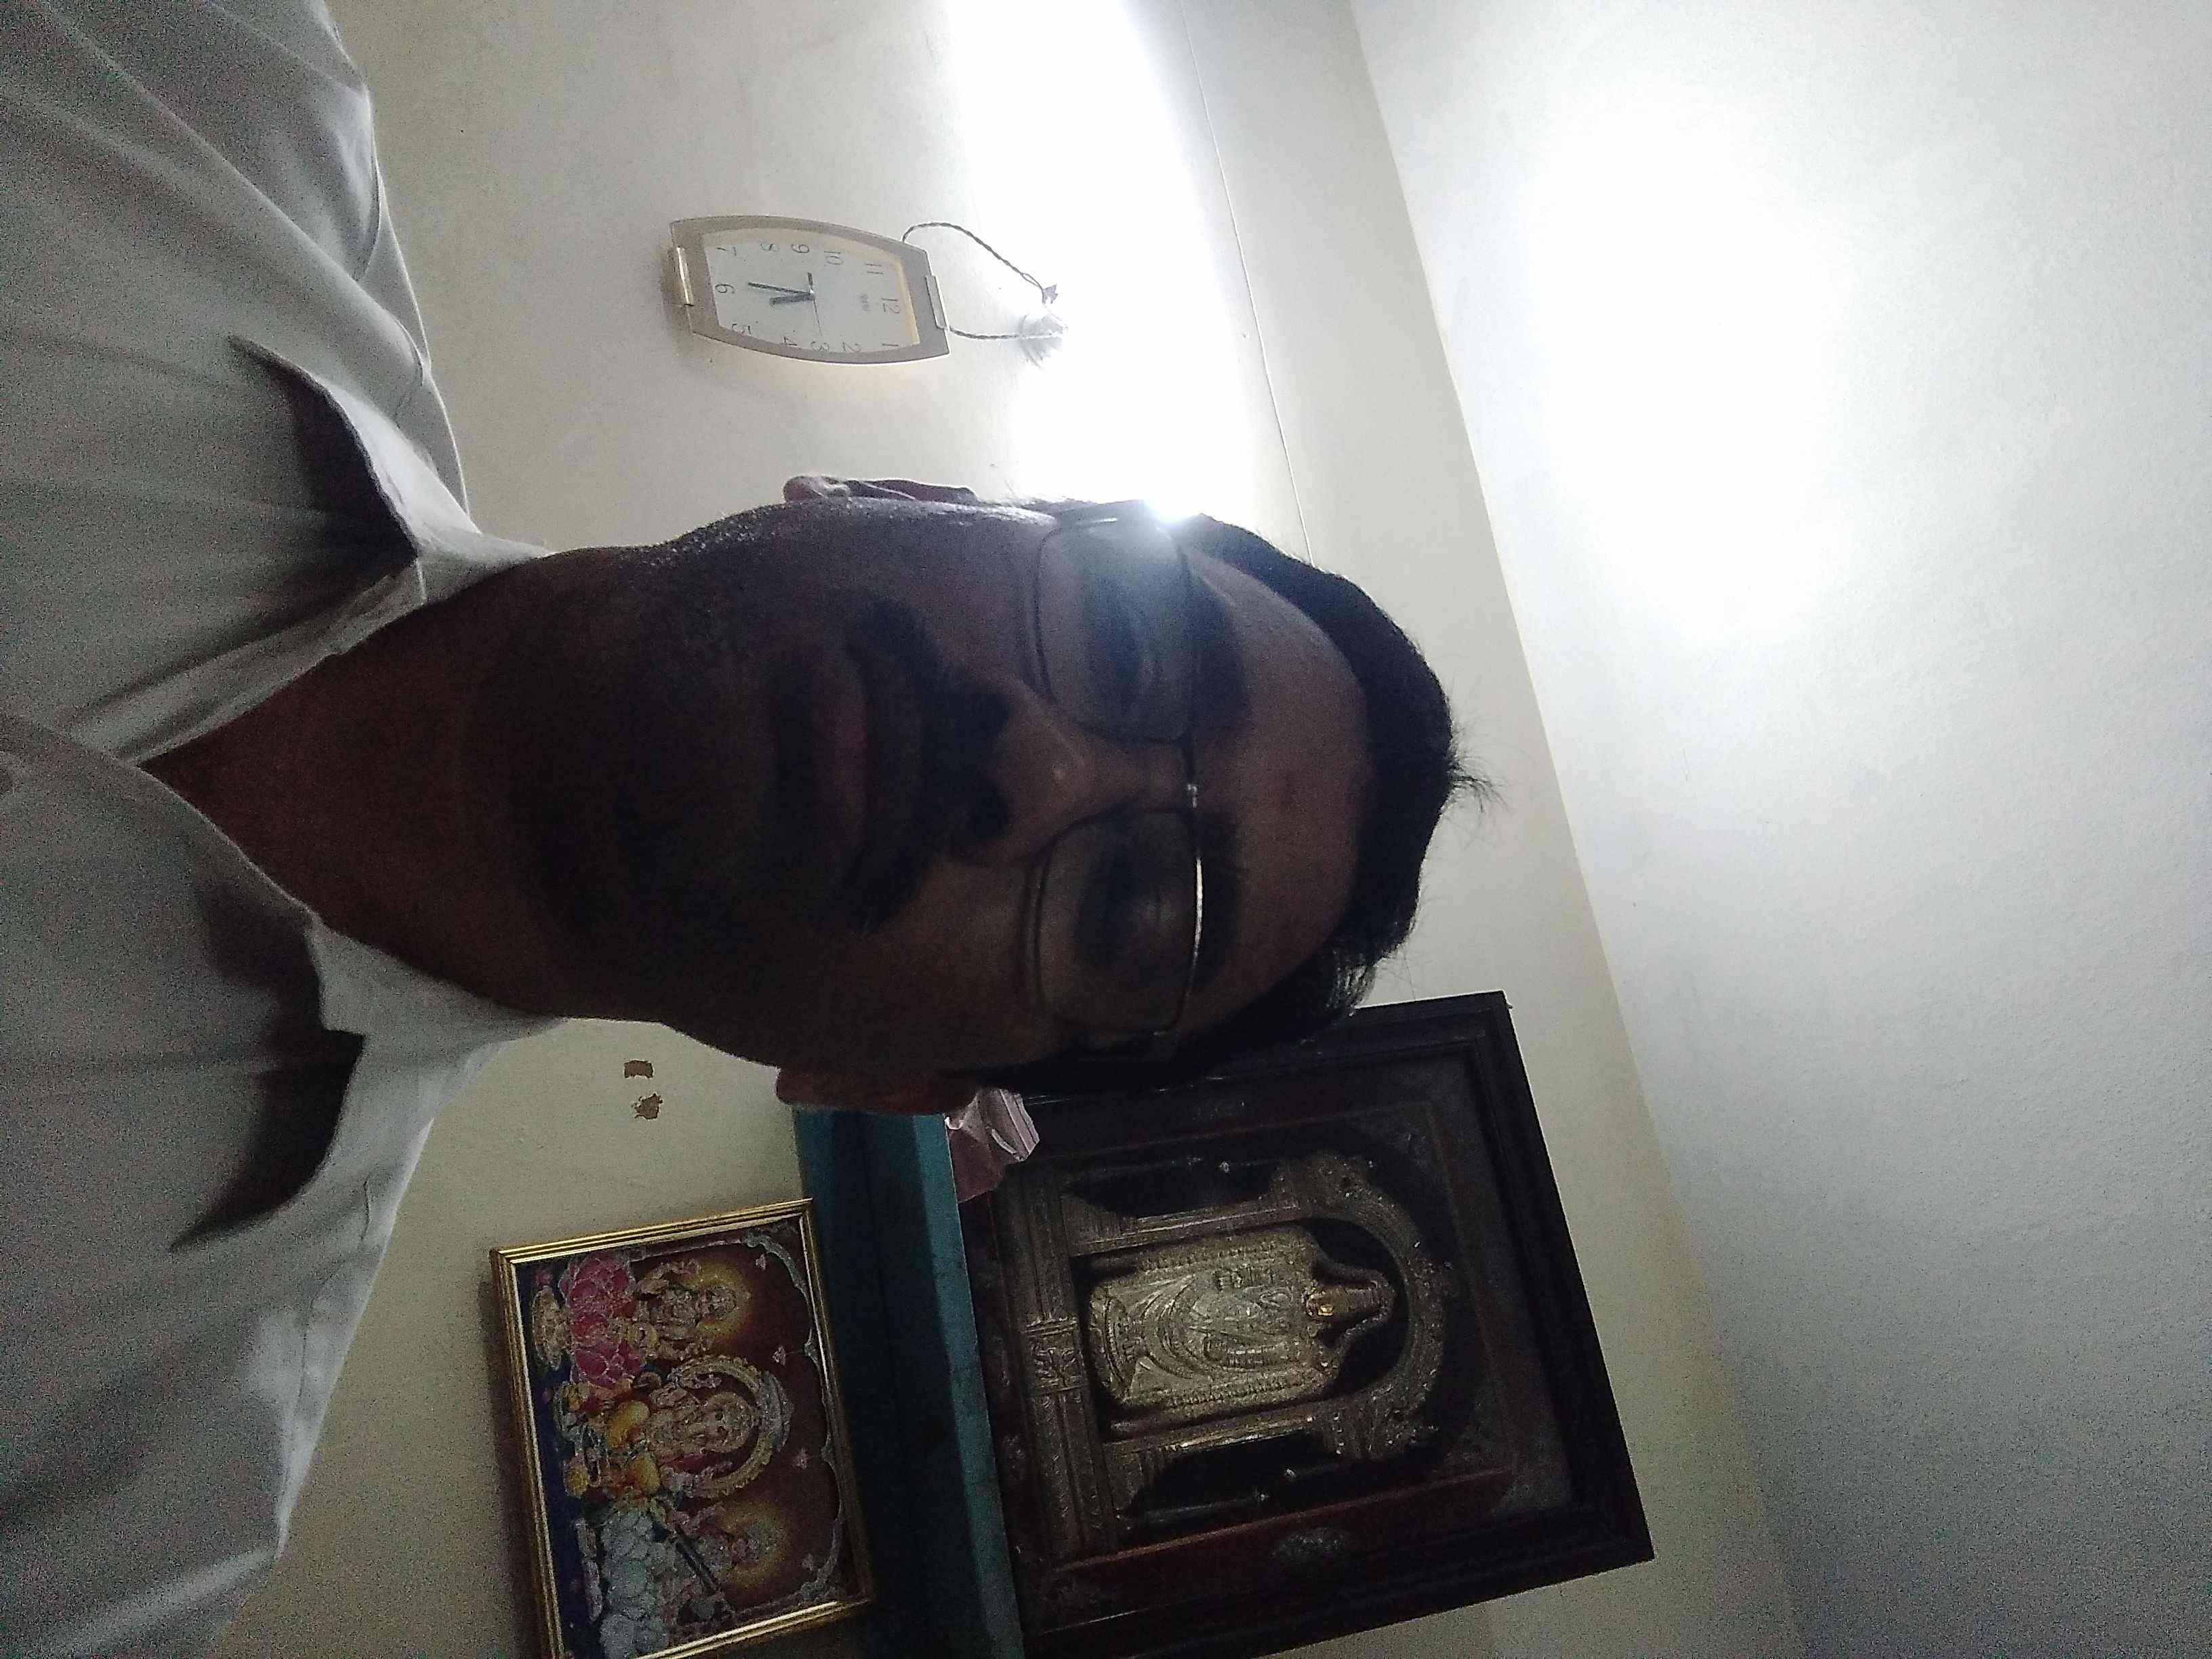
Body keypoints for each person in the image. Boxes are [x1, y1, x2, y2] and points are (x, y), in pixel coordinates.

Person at [0, 1, 1467, 1652]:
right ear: (900, 493)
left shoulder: (126, 1490)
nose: (1045, 771)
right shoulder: (176, 102)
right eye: (1128, 642)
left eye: (1131, 906)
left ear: (897, 1089)